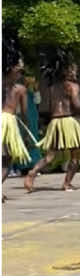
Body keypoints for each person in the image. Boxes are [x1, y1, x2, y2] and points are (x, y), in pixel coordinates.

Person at [25, 52, 80, 192]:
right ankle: (66, 184)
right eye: (73, 69)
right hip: (68, 122)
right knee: (75, 155)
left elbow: (48, 106)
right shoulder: (73, 86)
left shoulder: (54, 86)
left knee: (50, 156)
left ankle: (32, 173)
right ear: (66, 71)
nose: (75, 72)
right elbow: (78, 106)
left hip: (55, 122)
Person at [2, 38, 31, 198]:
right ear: (12, 69)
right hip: (7, 123)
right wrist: (26, 133)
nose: (21, 71)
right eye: (19, 69)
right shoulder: (20, 89)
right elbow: (25, 113)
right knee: (7, 159)